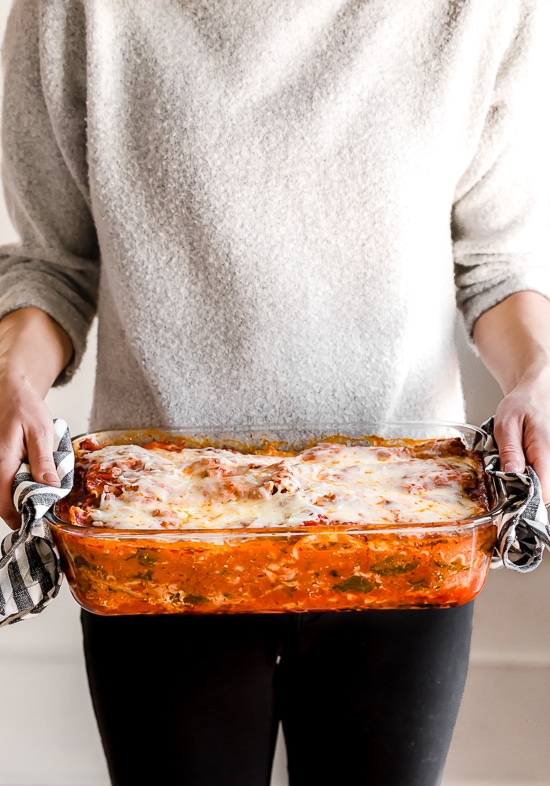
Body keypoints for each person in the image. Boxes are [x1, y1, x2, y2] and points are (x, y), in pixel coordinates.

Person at [0, 1, 549, 784]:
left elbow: (498, 262)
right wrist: (11, 380)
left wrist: (537, 373)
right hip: (156, 547)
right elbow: (52, 263)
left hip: (403, 538)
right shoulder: (74, 11)